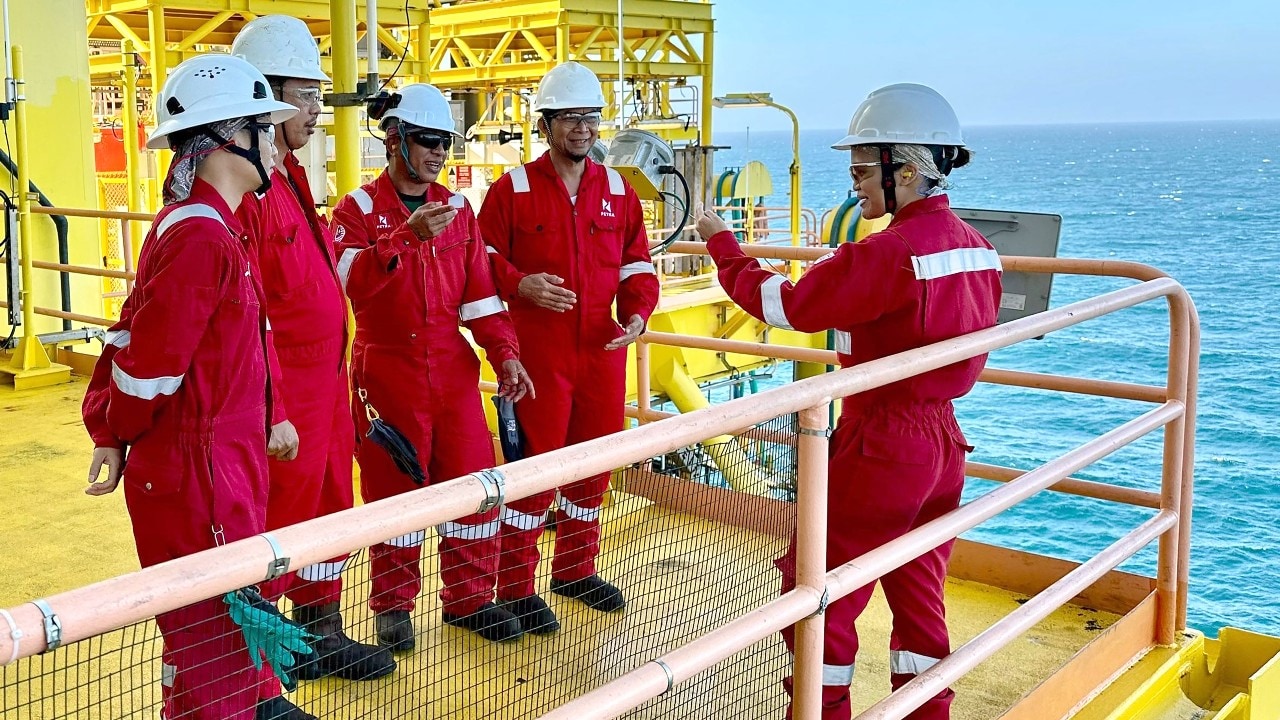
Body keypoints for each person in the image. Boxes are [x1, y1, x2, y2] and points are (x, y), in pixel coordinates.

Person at [695, 83, 1003, 720]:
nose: (855, 185)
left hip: (884, 441)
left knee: (820, 590)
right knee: (919, 591)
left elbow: (790, 305)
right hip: (944, 445)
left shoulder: (891, 253)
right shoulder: (980, 249)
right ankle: (925, 711)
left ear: (905, 169)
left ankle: (822, 710)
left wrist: (725, 248)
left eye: (863, 171)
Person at [81, 54, 317, 720]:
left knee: (215, 642)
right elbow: (150, 365)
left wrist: (269, 416)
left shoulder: (215, 229)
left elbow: (158, 341)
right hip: (198, 474)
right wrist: (115, 430)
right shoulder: (202, 239)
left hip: (217, 463)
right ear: (227, 138)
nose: (273, 144)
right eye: (263, 131)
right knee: (216, 642)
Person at [331, 83, 536, 648]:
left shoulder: (458, 209)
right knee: (395, 496)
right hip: (386, 373)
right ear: (394, 139)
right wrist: (404, 237)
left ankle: (469, 600)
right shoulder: (356, 210)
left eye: (444, 143)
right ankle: (392, 608)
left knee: (473, 483)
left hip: (452, 371)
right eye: (427, 141)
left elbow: (481, 298)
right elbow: (349, 286)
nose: (438, 153)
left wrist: (507, 355)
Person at [230, 14, 396, 683]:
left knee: (329, 513)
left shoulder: (290, 174)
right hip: (283, 394)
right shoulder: (253, 190)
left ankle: (321, 634)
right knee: (275, 531)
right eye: (306, 95)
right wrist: (271, 405)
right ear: (266, 96)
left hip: (322, 387)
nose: (318, 109)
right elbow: (250, 310)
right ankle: (262, 680)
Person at [478, 61, 659, 627]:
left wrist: (635, 314)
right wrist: (520, 284)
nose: (582, 128)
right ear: (547, 123)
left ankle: (576, 570)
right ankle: (515, 587)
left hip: (602, 353)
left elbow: (637, 264)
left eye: (590, 117)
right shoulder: (513, 190)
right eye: (570, 118)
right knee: (533, 472)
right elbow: (479, 263)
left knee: (593, 466)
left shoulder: (618, 189)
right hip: (539, 355)